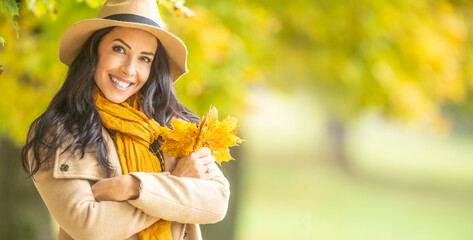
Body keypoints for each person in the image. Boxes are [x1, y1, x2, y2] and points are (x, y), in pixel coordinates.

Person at [20, 0, 230, 239]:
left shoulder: (174, 126)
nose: (129, 69)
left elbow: (217, 202)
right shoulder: (59, 132)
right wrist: (176, 184)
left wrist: (133, 187)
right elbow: (90, 227)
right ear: (94, 51)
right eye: (119, 49)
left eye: (144, 58)